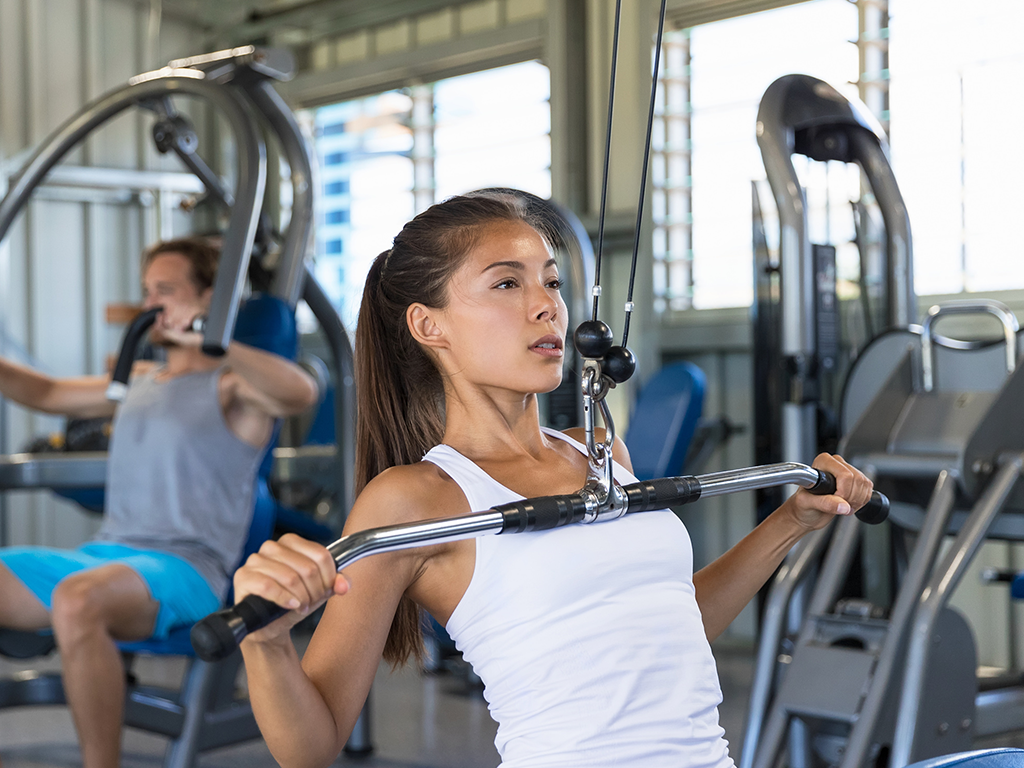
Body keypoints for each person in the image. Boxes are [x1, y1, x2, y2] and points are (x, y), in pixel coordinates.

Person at [233, 193, 874, 768]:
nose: (547, 307)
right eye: (507, 284)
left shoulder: (600, 451)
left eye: (551, 282)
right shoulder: (414, 498)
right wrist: (265, 644)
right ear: (430, 325)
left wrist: (792, 519)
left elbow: (675, 625)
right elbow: (309, 748)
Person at [0, 237, 318, 768]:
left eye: (165, 291)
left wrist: (214, 338)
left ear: (209, 299)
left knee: (77, 600)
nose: (151, 304)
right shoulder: (141, 379)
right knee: (77, 590)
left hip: (184, 570)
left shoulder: (234, 387)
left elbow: (302, 391)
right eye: (147, 291)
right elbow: (48, 393)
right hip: (104, 556)